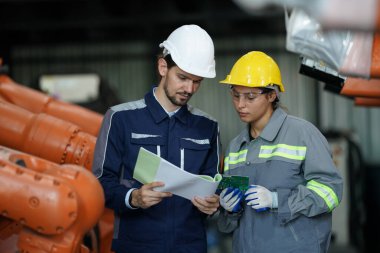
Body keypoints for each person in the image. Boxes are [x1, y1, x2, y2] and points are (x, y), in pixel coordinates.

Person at [92, 24, 221, 253]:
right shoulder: (121, 119)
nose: (189, 88)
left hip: (190, 247)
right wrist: (133, 198)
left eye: (197, 81)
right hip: (136, 247)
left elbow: (214, 184)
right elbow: (100, 184)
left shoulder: (207, 127)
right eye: (182, 77)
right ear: (163, 66)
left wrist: (215, 203)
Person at [217, 51, 343, 253]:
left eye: (250, 96)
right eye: (235, 95)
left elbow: (330, 191)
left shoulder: (302, 134)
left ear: (271, 95)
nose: (240, 104)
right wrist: (229, 209)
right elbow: (227, 224)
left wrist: (277, 200)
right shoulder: (235, 147)